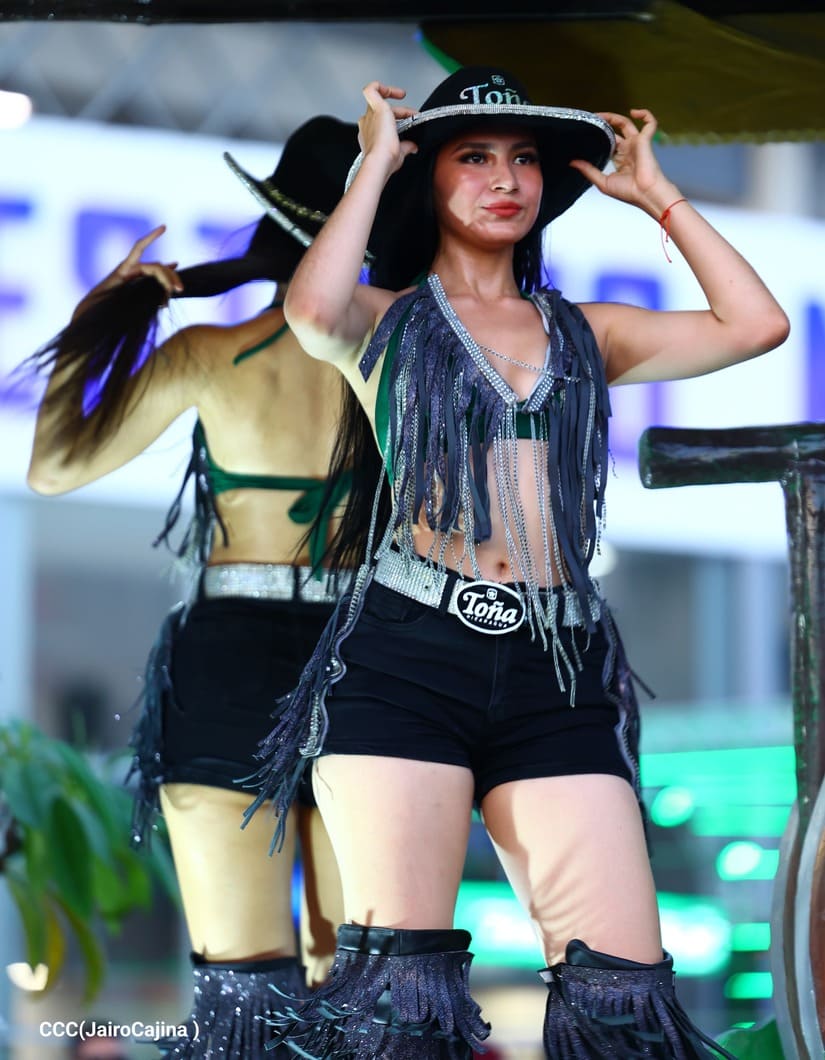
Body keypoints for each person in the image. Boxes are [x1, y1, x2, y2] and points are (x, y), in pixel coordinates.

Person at [251, 66, 790, 1058]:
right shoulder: (387, 318)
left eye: (524, 159)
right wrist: (375, 164)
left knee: (622, 993)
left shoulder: (589, 331)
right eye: (474, 157)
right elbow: (313, 312)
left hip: (559, 669)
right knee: (401, 999)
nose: (505, 179)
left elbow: (756, 325)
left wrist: (659, 197)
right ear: (429, 175)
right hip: (407, 660)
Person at [25, 116, 363, 1058]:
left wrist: (97, 317)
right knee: (363, 987)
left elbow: (53, 467)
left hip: (230, 655)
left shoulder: (214, 354)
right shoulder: (399, 360)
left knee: (241, 995)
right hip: (366, 652)